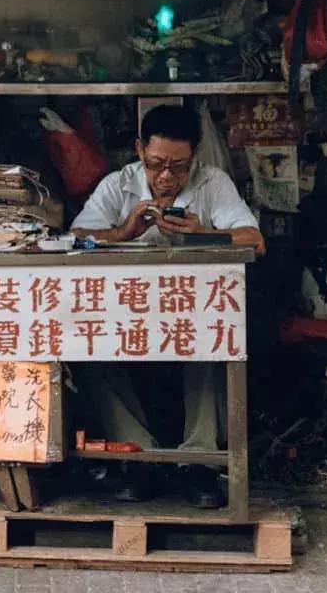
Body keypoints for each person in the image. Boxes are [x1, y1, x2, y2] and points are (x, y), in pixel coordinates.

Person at [69, 104, 264, 508]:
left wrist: (204, 234)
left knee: (216, 341)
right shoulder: (117, 185)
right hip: (125, 314)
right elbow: (75, 240)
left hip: (193, 313)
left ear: (194, 156)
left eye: (178, 166)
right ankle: (139, 458)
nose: (165, 176)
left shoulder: (213, 183)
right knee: (82, 348)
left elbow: (254, 241)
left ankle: (199, 463)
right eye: (156, 164)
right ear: (140, 150)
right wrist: (122, 232)